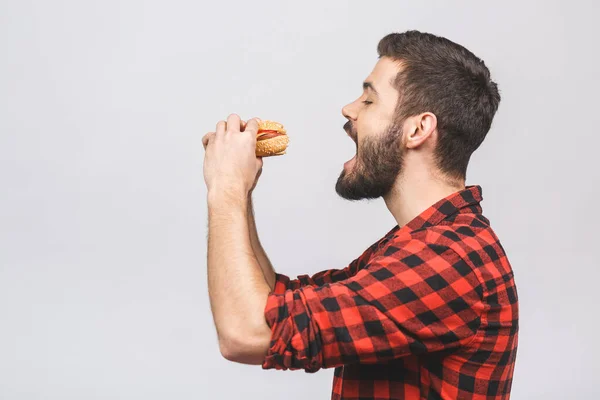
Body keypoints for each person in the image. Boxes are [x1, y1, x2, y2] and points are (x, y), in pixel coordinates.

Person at [202, 30, 518, 400]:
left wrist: (225, 190)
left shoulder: (450, 259)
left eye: (369, 100)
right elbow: (275, 301)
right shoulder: (417, 245)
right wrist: (243, 192)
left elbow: (247, 333)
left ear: (417, 129)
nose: (349, 109)